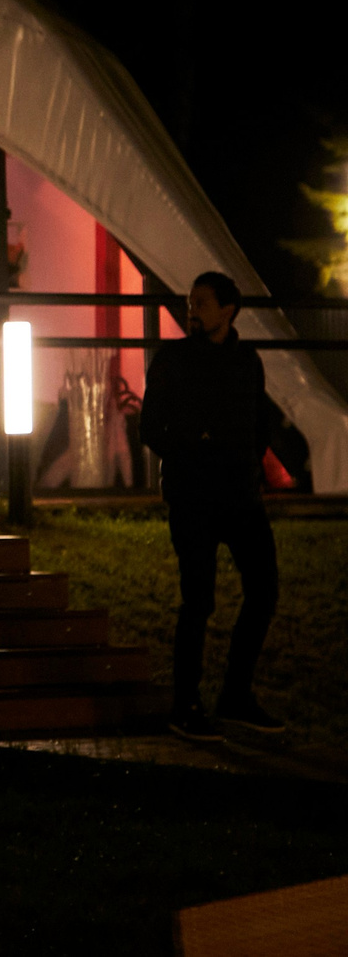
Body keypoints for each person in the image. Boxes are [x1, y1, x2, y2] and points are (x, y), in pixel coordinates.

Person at [143, 270, 286, 739]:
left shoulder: (247, 360)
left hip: (240, 495)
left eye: (201, 302)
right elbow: (151, 428)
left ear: (228, 310)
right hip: (193, 497)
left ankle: (235, 696)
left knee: (263, 590)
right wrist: (194, 447)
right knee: (197, 600)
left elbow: (259, 419)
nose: (192, 311)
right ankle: (185, 703)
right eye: (190, 302)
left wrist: (247, 461)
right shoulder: (174, 360)